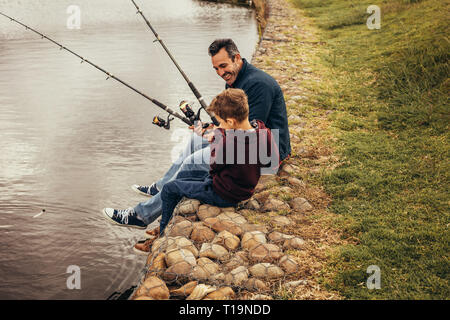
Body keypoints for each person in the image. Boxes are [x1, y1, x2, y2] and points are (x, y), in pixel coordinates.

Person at [102, 38, 290, 231]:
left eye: (223, 66)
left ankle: (142, 215)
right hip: (246, 144)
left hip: (263, 155)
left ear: (237, 58)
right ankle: (161, 187)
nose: (220, 73)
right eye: (216, 68)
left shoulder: (258, 85)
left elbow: (243, 134)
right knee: (195, 139)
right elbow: (235, 124)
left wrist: (216, 136)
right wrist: (211, 128)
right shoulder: (236, 78)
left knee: (191, 162)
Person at [104, 89, 278, 252]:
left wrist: (219, 137)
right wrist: (221, 135)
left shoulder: (229, 143)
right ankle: (149, 213)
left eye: (221, 123)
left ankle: (160, 237)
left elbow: (214, 167)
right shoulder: (262, 130)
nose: (220, 126)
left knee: (171, 188)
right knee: (184, 175)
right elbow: (269, 157)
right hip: (242, 188)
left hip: (224, 192)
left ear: (231, 121)